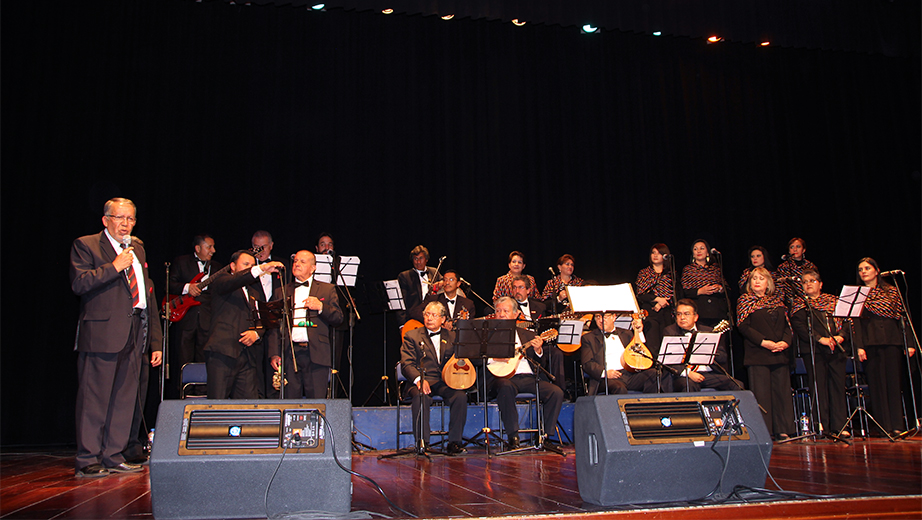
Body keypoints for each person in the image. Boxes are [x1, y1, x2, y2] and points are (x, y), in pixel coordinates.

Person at [69, 198, 163, 477]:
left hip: (135, 330)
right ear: (105, 219)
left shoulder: (138, 248)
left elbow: (147, 294)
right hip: (102, 332)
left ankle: (113, 454)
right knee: (94, 397)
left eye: (131, 219)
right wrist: (114, 266)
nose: (126, 224)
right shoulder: (86, 245)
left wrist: (154, 340)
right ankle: (87, 458)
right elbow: (79, 283)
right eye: (120, 218)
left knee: (124, 397)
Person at [203, 250, 283, 399]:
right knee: (217, 402)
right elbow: (235, 281)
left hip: (247, 356)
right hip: (223, 353)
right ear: (232, 266)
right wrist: (261, 268)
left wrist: (256, 333)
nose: (249, 268)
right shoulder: (222, 280)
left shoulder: (255, 292)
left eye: (252, 265)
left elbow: (262, 320)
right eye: (245, 264)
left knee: (247, 403)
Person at [487, 297, 563, 448]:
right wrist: (494, 357)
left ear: (516, 314)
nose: (501, 314)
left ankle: (544, 436)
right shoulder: (487, 334)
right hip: (502, 378)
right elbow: (476, 358)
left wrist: (538, 351)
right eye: (498, 311)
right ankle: (513, 436)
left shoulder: (527, 335)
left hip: (528, 378)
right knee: (505, 387)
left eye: (506, 311)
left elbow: (541, 363)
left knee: (556, 392)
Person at [269, 250, 344, 399]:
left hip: (316, 352)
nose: (297, 264)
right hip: (290, 353)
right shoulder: (281, 291)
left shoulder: (327, 289)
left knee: (316, 400)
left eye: (302, 262)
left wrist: (321, 307)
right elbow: (273, 326)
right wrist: (274, 353)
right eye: (296, 261)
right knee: (289, 400)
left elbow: (338, 318)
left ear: (313, 268)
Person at [854, 257, 915, 436]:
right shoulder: (858, 293)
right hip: (870, 342)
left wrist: (908, 343)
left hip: (892, 340)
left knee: (893, 383)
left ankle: (897, 424)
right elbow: (855, 322)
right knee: (876, 384)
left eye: (867, 268)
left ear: (877, 270)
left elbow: (902, 318)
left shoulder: (891, 291)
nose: (863, 272)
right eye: (860, 269)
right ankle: (883, 426)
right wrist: (859, 346)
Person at [399, 301, 468, 454]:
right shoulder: (412, 335)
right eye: (427, 314)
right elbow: (406, 364)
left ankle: (454, 442)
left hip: (444, 381)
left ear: (443, 319)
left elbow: (464, 358)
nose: (429, 318)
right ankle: (422, 443)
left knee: (460, 396)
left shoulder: (453, 336)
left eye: (434, 315)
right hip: (420, 380)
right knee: (421, 396)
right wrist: (418, 379)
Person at [790, 269, 848, 437]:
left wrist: (840, 337)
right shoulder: (800, 305)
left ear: (820, 284)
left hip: (836, 348)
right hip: (814, 350)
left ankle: (840, 426)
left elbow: (846, 322)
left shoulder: (833, 301)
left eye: (812, 280)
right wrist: (819, 339)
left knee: (837, 387)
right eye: (805, 282)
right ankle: (822, 425)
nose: (808, 284)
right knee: (818, 386)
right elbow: (800, 327)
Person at [738, 267, 794, 440]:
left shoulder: (778, 302)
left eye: (761, 278)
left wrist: (785, 342)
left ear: (768, 282)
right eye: (754, 278)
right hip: (758, 353)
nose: (756, 281)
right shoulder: (745, 301)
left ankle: (782, 429)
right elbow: (743, 327)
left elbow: (787, 326)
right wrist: (764, 342)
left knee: (781, 393)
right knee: (762, 394)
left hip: (779, 352)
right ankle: (765, 431)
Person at [166, 234, 222, 396]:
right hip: (186, 318)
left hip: (207, 319)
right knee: (184, 357)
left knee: (204, 358)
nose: (213, 250)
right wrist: (187, 288)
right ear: (198, 248)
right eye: (209, 247)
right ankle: (185, 394)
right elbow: (169, 284)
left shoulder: (217, 267)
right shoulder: (181, 262)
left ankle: (203, 394)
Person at [580, 312, 669, 395]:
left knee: (654, 374)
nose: (601, 320)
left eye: (605, 317)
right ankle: (624, 412)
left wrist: (639, 332)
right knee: (619, 387)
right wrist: (606, 373)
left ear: (614, 317)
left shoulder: (626, 333)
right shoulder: (589, 338)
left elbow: (640, 351)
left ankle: (648, 408)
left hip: (629, 374)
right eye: (597, 317)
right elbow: (587, 364)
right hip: (607, 378)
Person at [666, 300, 741, 392]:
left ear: (696, 317)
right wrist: (688, 373)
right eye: (679, 314)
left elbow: (723, 357)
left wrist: (708, 351)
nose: (682, 317)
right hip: (685, 375)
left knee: (736, 384)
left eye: (687, 314)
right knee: (689, 385)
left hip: (707, 374)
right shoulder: (670, 331)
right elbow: (668, 360)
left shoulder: (708, 331)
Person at [251, 230, 287, 397]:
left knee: (275, 369)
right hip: (253, 324)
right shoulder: (247, 269)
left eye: (263, 247)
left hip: (276, 327)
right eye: (255, 247)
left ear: (271, 246)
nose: (259, 251)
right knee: (254, 369)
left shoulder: (283, 267)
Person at [680, 239, 729, 327]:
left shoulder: (715, 268)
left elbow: (727, 289)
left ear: (707, 252)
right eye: (695, 249)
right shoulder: (688, 270)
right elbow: (683, 291)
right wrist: (700, 291)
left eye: (702, 248)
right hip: (700, 311)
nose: (698, 251)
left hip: (717, 311)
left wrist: (719, 288)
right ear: (693, 254)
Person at [635, 243, 675, 352]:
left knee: (667, 343)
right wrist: (657, 299)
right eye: (653, 253)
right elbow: (641, 294)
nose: (655, 255)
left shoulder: (671, 274)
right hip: (650, 313)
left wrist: (664, 302)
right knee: (653, 345)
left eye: (659, 253)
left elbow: (676, 294)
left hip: (667, 313)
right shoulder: (644, 273)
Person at [409, 269, 476, 328]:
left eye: (451, 280)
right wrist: (439, 322)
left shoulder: (468, 303)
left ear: (458, 283)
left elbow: (471, 326)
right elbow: (415, 312)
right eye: (445, 280)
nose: (447, 282)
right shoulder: (433, 299)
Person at [397, 245, 442, 327]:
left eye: (421, 258)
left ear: (426, 259)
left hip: (433, 318)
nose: (418, 262)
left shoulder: (434, 272)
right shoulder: (405, 276)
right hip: (413, 319)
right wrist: (402, 324)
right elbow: (401, 302)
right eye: (415, 259)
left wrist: (441, 283)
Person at [776, 237, 818, 308]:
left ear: (803, 250)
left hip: (810, 300)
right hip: (790, 302)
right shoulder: (783, 267)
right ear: (789, 251)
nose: (795, 249)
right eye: (792, 247)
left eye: (798, 247)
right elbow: (779, 287)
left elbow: (816, 283)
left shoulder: (810, 266)